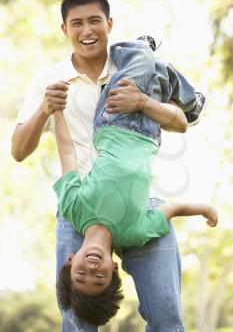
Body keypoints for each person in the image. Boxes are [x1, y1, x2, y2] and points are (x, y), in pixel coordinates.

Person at [11, 0, 207, 332]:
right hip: (79, 212)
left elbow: (180, 123)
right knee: (76, 318)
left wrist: (143, 103)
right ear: (65, 30)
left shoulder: (132, 69)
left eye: (94, 21)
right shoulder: (50, 79)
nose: (86, 31)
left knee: (166, 314)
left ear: (109, 23)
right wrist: (45, 109)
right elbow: (19, 150)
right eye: (77, 23)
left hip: (140, 207)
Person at [53, 74, 217, 324]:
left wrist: (56, 112)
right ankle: (185, 101)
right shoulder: (135, 232)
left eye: (81, 274)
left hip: (109, 123)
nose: (92, 270)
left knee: (136, 66)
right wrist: (202, 207)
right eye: (99, 278)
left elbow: (66, 151)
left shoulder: (74, 208)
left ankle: (150, 62)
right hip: (147, 136)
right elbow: (170, 210)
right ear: (114, 270)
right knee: (152, 76)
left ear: (71, 260)